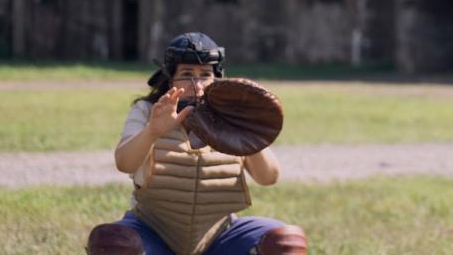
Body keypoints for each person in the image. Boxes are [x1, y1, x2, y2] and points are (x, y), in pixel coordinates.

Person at [85, 32, 308, 255]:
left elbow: (269, 177)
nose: (197, 83)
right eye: (187, 74)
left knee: (285, 242)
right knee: (112, 243)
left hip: (219, 234)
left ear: (216, 78)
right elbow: (125, 163)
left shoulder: (230, 116)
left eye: (205, 74)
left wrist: (245, 130)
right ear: (170, 78)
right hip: (153, 231)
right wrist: (153, 131)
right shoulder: (147, 111)